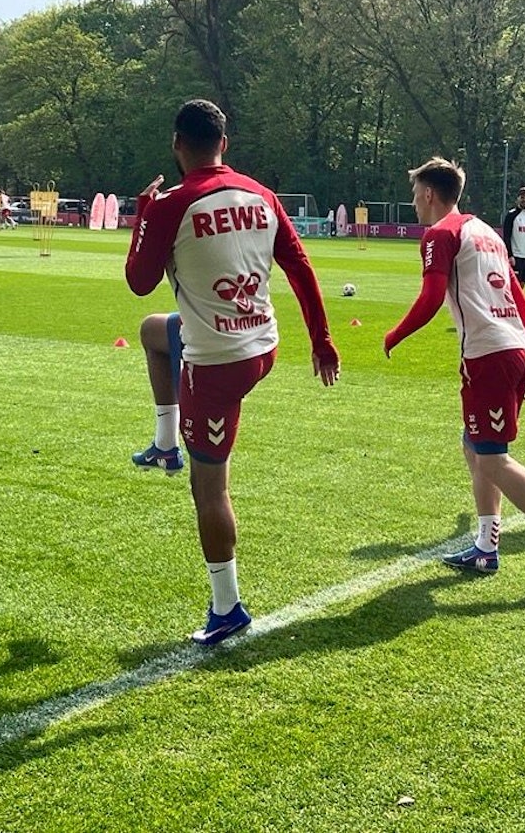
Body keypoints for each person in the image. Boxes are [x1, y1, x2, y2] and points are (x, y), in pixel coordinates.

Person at [125, 98, 340, 645]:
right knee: (155, 331)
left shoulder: (172, 204)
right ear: (225, 142)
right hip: (262, 343)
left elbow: (138, 278)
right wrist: (322, 340)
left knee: (209, 487)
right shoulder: (262, 195)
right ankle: (164, 443)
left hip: (218, 362)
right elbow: (300, 265)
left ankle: (228, 608)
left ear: (177, 144)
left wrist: (142, 217)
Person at [384, 157, 525, 587]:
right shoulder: (485, 231)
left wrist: (394, 335)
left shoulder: (442, 233)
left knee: (492, 457)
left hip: (489, 354)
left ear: (430, 194)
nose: (414, 202)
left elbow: (431, 297)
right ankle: (485, 548)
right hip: (513, 348)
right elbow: (522, 300)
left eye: (416, 193)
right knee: (473, 445)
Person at [131, 312, 185, 473]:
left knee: (211, 490)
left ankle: (166, 446)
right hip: (257, 329)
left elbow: (141, 288)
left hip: (218, 329)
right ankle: (165, 446)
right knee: (152, 329)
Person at [501, 186, 525, 285]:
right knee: (514, 284)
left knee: (522, 284)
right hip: (516, 256)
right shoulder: (511, 215)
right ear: (517, 199)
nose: (524, 200)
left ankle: (518, 301)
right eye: (522, 197)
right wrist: (510, 255)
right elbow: (506, 236)